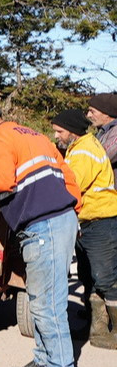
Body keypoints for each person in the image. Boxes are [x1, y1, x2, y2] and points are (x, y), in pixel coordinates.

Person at [0, 99, 82, 367]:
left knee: (47, 304)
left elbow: (1, 181)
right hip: (58, 220)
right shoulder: (32, 134)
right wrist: (71, 211)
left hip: (44, 225)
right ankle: (44, 361)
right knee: (42, 298)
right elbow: (68, 176)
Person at [50, 109, 117, 349]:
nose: (56, 135)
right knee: (88, 276)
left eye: (59, 131)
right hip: (89, 220)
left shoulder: (84, 152)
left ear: (72, 131)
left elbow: (71, 187)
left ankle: (113, 332)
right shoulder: (78, 147)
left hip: (100, 221)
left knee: (106, 279)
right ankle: (96, 328)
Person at [85, 93, 117, 166]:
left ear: (107, 114)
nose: (88, 115)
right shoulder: (103, 131)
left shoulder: (115, 133)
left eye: (92, 111)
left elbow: (99, 158)